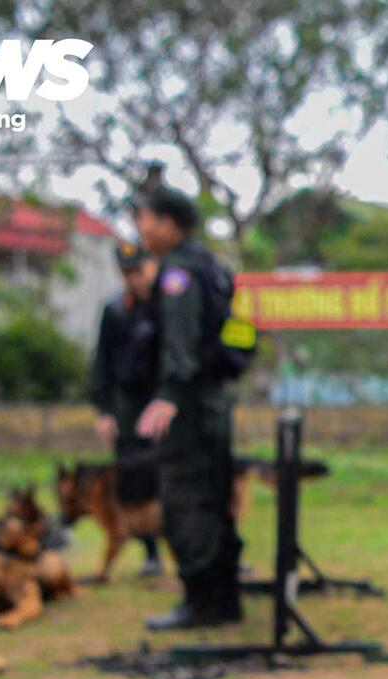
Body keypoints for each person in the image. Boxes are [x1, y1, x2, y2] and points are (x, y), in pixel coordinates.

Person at [133, 185, 250, 629]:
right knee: (214, 497)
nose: (140, 227)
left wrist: (169, 396)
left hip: (189, 407)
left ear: (167, 223)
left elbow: (180, 346)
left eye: (145, 218)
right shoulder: (212, 266)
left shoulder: (178, 273)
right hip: (212, 403)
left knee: (186, 501)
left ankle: (203, 602)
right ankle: (223, 600)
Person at [87, 240, 165, 576]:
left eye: (139, 270)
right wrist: (104, 411)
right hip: (127, 407)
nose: (134, 278)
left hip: (162, 403)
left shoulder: (166, 307)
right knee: (132, 480)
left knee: (166, 476)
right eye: (127, 272)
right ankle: (150, 552)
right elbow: (101, 363)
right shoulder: (116, 310)